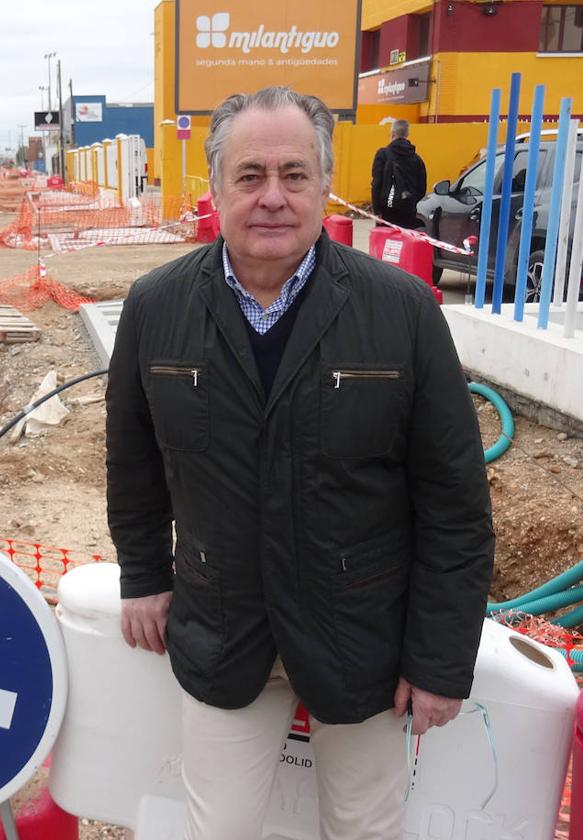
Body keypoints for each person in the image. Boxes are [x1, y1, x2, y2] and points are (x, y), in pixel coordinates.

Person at [105, 87, 494, 840]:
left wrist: (442, 659)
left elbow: (455, 505)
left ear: (325, 186)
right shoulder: (155, 308)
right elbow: (133, 463)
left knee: (365, 829)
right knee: (216, 829)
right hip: (222, 630)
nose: (273, 198)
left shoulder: (403, 312)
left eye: (295, 174)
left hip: (363, 640)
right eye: (250, 176)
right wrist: (144, 576)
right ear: (215, 189)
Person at [371, 119, 428, 228]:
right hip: (408, 211)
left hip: (386, 210)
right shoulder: (417, 159)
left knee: (386, 241)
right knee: (404, 241)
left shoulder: (382, 154)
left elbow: (376, 184)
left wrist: (377, 210)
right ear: (407, 134)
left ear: (392, 134)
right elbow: (422, 188)